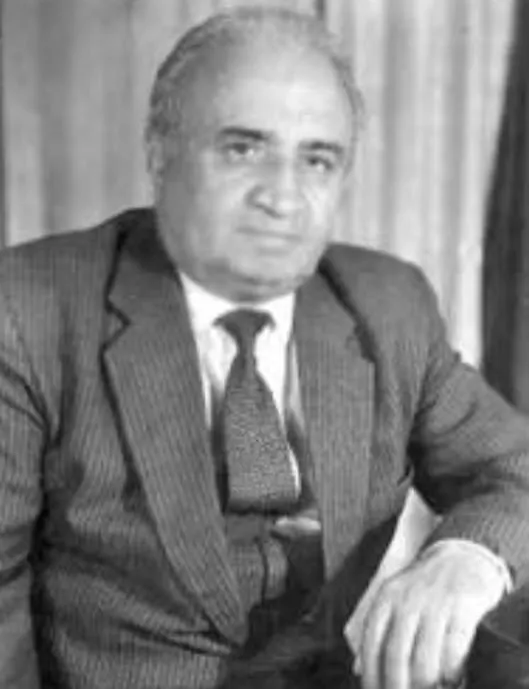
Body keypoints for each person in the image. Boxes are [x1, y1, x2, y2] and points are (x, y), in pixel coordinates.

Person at [0, 7, 528, 689]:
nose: (283, 197)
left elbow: (514, 468)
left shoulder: (387, 304)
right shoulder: (31, 309)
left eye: (317, 160)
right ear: (159, 152)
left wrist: (468, 556)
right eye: (242, 149)